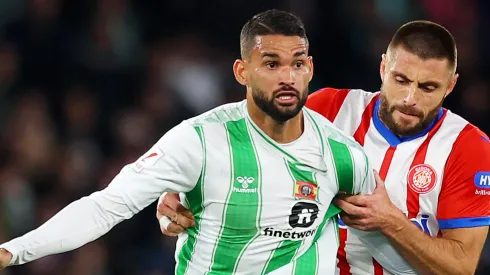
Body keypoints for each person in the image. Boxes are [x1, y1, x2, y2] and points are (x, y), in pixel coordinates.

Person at [0, 9, 376, 275]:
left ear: (309, 67)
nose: (288, 77)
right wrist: (13, 250)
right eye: (271, 64)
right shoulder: (199, 139)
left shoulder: (344, 156)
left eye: (297, 63)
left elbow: (374, 244)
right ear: (242, 72)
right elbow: (107, 206)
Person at [156, 20, 490, 275]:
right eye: (401, 80)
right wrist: (180, 188)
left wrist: (391, 221)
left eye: (428, 87)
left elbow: (461, 267)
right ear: (383, 67)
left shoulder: (468, 148)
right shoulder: (330, 109)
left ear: (451, 85)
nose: (410, 99)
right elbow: (240, 141)